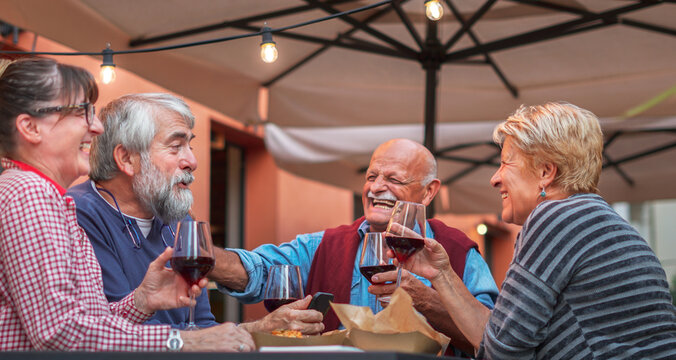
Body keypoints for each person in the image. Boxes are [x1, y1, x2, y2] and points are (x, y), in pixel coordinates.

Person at [0, 58, 253, 351]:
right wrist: (181, 341)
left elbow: (87, 323)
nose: (96, 127)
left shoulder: (40, 195)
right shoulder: (28, 193)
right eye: (81, 112)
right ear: (30, 128)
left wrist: (141, 301)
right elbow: (60, 332)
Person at [398, 102, 676, 359]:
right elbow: (499, 337)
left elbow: (502, 353)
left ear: (545, 172)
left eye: (506, 162)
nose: (495, 178)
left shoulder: (555, 218)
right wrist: (441, 273)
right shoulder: (604, 223)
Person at [209, 138, 499, 353]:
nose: (375, 187)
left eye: (393, 179)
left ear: (428, 192)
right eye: (371, 177)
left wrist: (424, 299)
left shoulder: (457, 252)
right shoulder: (323, 245)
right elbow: (259, 270)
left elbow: (491, 340)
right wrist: (205, 257)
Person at [68, 92, 323, 334]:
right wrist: (254, 330)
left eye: (189, 145)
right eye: (175, 146)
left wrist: (250, 333)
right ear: (126, 159)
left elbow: (200, 325)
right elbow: (116, 335)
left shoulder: (179, 221)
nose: (192, 161)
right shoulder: (78, 214)